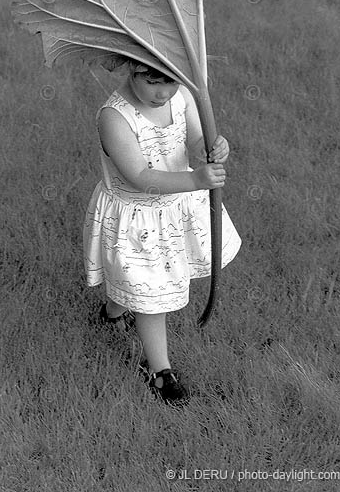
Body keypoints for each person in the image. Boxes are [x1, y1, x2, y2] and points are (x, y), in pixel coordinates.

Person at [83, 61, 241, 406]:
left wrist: (209, 150)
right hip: (139, 220)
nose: (163, 92)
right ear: (130, 71)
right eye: (153, 82)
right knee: (150, 294)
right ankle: (160, 370)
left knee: (134, 281)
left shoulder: (183, 95)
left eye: (171, 82)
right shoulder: (114, 117)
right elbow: (139, 176)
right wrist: (195, 181)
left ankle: (113, 310)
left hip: (174, 211)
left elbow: (195, 141)